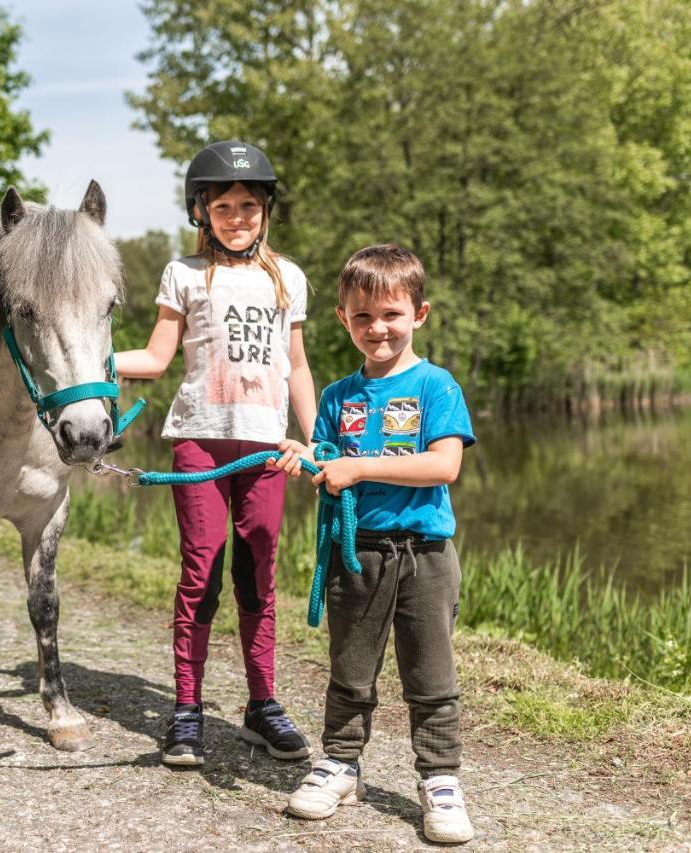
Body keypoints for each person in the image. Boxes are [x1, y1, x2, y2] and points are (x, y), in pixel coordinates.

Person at [115, 140, 318, 767]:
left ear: (266, 210)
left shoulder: (289, 278)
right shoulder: (183, 274)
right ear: (200, 210)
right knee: (200, 569)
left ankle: (262, 704)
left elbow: (298, 367)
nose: (237, 216)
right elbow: (153, 358)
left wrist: (315, 443)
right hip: (201, 438)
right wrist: (84, 368)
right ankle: (186, 709)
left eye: (249, 206)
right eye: (224, 205)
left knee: (259, 570)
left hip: (266, 447)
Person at [270, 244, 476, 843]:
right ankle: (339, 763)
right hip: (355, 550)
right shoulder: (336, 397)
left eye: (390, 314)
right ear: (343, 319)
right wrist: (310, 459)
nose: (377, 328)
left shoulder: (437, 386)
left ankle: (439, 779)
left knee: (430, 674)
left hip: (426, 556)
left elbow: (444, 466)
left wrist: (358, 469)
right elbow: (331, 465)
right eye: (362, 317)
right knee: (351, 669)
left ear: (420, 313)